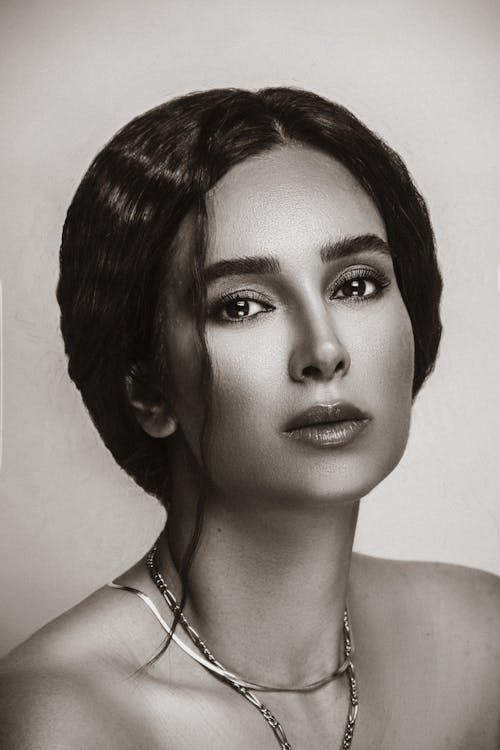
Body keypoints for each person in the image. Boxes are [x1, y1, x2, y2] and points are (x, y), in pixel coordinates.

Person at [0, 87, 498, 749]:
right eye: (241, 306)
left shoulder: (480, 641)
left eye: (356, 284)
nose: (323, 351)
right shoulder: (62, 715)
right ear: (148, 390)